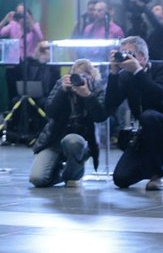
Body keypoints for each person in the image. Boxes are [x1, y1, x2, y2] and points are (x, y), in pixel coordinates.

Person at [106, 36, 163, 190]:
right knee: (121, 178)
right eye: (122, 53)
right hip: (144, 133)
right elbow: (110, 104)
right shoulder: (125, 76)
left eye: (129, 53)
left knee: (149, 116)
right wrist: (113, 74)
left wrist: (138, 71)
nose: (125, 57)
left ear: (142, 56)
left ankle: (160, 173)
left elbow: (158, 95)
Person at [30, 59, 106, 188]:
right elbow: (49, 113)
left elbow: (100, 116)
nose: (78, 80)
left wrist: (87, 95)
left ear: (91, 76)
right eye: (75, 75)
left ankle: (74, 174)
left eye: (83, 76)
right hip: (55, 137)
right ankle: (60, 172)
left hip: (82, 139)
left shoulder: (96, 87)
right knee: (37, 179)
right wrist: (62, 92)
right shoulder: (61, 85)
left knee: (72, 141)